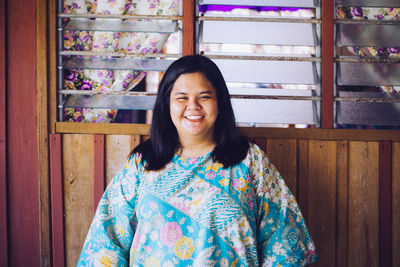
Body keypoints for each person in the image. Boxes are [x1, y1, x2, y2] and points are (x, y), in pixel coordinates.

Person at [77, 55, 318, 266]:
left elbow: (285, 242)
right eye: (182, 97)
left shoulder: (250, 161)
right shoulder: (143, 164)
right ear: (167, 104)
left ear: (220, 103)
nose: (193, 106)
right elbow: (106, 242)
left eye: (204, 96)